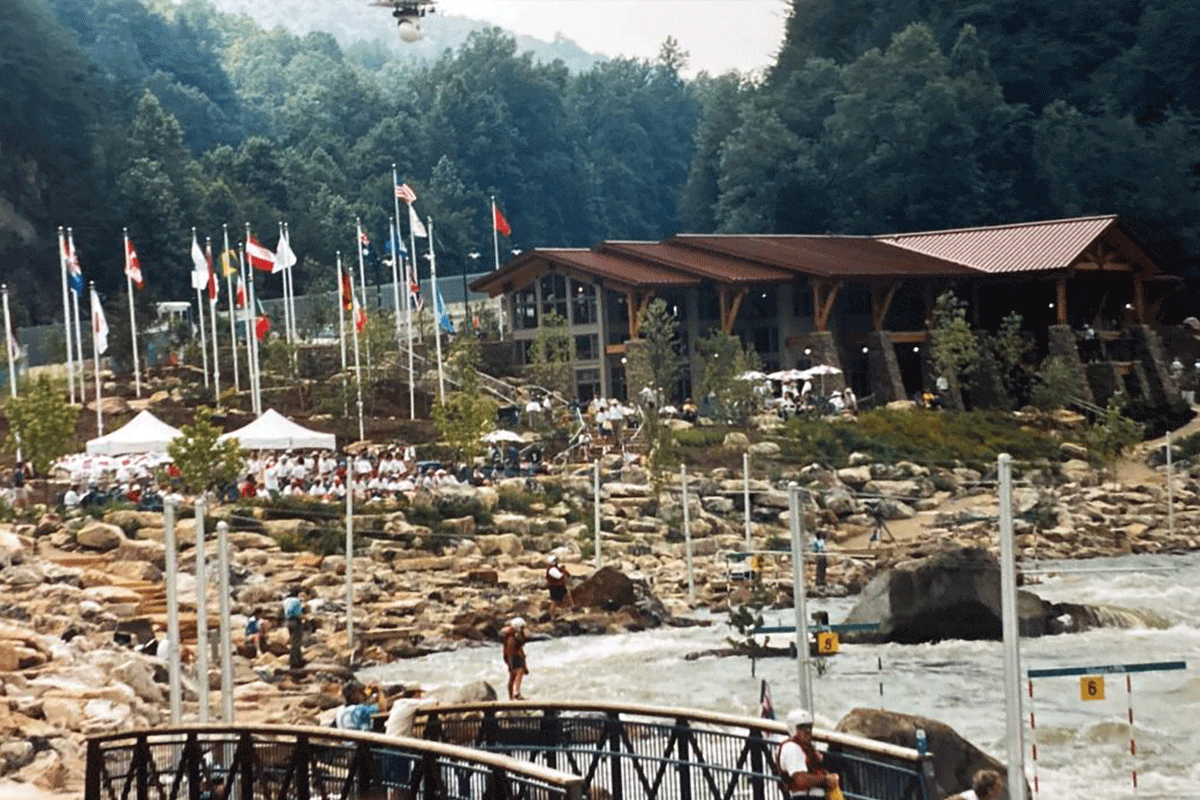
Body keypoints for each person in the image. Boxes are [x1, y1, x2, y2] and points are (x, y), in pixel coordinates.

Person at [777, 708, 839, 798]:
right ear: (793, 728)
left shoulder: (807, 748)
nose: (807, 731)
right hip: (804, 797)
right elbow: (801, 780)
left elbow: (818, 765)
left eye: (809, 727)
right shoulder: (791, 748)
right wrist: (825, 779)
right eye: (801, 727)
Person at [501, 617, 529, 700]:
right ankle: (514, 695)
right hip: (512, 657)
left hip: (518, 656)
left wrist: (524, 662)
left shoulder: (517, 634)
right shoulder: (511, 638)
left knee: (518, 673)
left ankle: (515, 694)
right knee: (515, 674)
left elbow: (520, 647)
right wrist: (511, 665)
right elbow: (510, 652)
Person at [282, 588, 307, 670]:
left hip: (288, 621)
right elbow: (297, 613)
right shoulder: (296, 601)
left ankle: (293, 660)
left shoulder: (286, 601)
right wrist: (303, 618)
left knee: (293, 641)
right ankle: (296, 661)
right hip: (295, 621)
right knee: (297, 642)